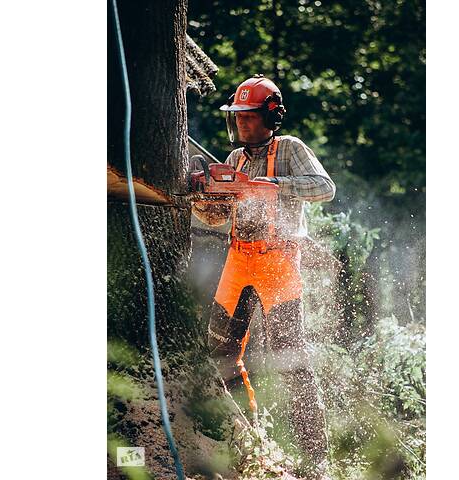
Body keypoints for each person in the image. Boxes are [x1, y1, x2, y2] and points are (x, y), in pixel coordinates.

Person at [193, 74, 335, 479]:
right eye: (237, 116)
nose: (241, 123)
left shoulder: (289, 149)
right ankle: (249, 437)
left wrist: (274, 184)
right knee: (220, 354)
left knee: (293, 363)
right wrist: (203, 194)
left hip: (279, 263)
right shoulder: (234, 160)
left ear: (270, 115)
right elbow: (218, 216)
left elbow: (324, 187)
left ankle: (316, 463)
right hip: (238, 262)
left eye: (248, 116)